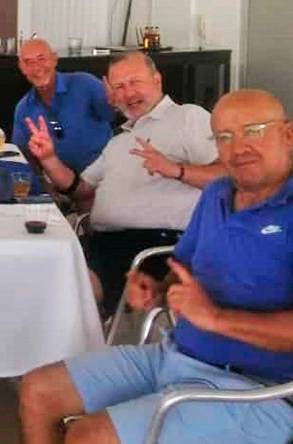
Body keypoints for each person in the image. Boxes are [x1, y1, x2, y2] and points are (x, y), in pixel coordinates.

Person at [18, 88, 293, 444]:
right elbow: (184, 269)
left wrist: (216, 318)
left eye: (253, 131)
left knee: (89, 436)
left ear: (287, 135)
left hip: (260, 388)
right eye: (224, 137)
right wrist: (158, 290)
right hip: (176, 354)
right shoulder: (217, 194)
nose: (238, 147)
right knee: (38, 390)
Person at [26, 51, 226, 316]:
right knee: (31, 269)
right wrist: (49, 159)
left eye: (135, 82)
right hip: (100, 243)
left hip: (151, 249)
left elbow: (227, 178)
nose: (128, 93)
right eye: (119, 86)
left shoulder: (188, 117)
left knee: (55, 290)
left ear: (157, 80)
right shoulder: (119, 139)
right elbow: (81, 188)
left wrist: (175, 170)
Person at [12, 38, 114, 176]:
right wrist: (44, 183)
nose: (36, 68)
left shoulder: (85, 84)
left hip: (103, 176)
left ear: (54, 59)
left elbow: (113, 116)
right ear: (21, 68)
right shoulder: (23, 108)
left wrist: (115, 103)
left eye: (41, 59)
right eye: (28, 62)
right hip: (58, 182)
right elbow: (23, 155)